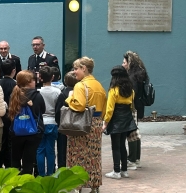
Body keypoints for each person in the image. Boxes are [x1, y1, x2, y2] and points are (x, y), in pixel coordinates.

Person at [65, 57, 106, 193]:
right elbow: (104, 108)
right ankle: (95, 185)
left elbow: (80, 105)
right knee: (94, 155)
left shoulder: (80, 85)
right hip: (96, 123)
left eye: (76, 68)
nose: (74, 71)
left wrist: (69, 98)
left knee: (77, 155)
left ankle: (77, 185)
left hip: (81, 124)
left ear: (84, 68)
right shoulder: (98, 85)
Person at [102, 65, 137, 179]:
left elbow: (110, 109)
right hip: (127, 120)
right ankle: (124, 170)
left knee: (115, 146)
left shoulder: (113, 90)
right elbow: (132, 106)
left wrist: (105, 123)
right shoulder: (131, 91)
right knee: (123, 145)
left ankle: (116, 171)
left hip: (116, 120)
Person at [9, 70, 46, 175]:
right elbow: (42, 110)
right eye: (33, 80)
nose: (35, 82)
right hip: (33, 132)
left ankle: (14, 183)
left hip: (16, 131)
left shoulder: (14, 94)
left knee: (15, 160)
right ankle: (26, 183)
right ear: (29, 82)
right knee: (28, 161)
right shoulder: (37, 95)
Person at [123, 50, 149, 170]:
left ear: (130, 63)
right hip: (139, 106)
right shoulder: (141, 73)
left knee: (132, 133)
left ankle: (132, 160)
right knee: (135, 132)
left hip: (132, 107)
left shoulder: (132, 77)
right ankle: (136, 159)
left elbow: (131, 93)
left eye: (124, 62)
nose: (123, 64)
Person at [36, 66, 61, 176]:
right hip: (53, 122)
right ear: (53, 77)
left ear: (40, 77)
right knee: (51, 150)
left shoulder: (37, 92)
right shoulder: (57, 92)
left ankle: (41, 175)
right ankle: (50, 174)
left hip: (40, 123)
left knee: (40, 150)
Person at [0, 59, 17, 169]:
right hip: (12, 118)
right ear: (14, 70)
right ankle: (10, 167)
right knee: (10, 144)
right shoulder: (16, 85)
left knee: (0, 143)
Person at [55, 71, 78, 168]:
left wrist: (59, 122)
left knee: (62, 149)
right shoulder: (79, 93)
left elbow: (58, 112)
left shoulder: (62, 94)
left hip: (63, 126)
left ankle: (62, 168)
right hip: (77, 125)